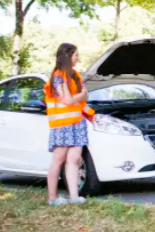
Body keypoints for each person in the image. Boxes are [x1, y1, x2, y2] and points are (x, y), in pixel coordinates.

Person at [43, 43, 95, 206]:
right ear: (67, 56)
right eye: (75, 55)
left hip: (77, 123)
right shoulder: (58, 76)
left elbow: (82, 96)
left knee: (75, 159)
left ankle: (74, 196)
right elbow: (69, 99)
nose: (78, 58)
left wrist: (78, 96)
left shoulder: (76, 75)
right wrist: (80, 95)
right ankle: (53, 198)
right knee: (58, 160)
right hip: (62, 124)